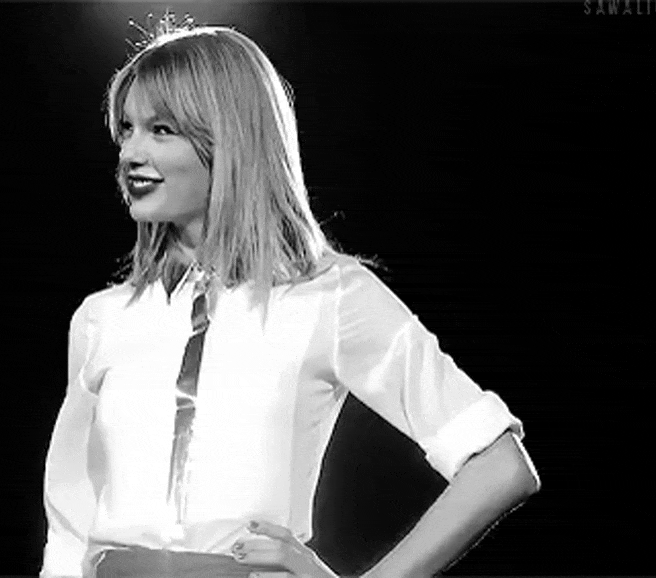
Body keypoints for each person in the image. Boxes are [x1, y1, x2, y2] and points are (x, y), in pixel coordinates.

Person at [41, 14, 540, 578]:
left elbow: (500, 465)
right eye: (126, 129)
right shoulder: (102, 320)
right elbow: (68, 524)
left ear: (230, 140)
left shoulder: (330, 298)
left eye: (160, 130)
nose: (131, 153)